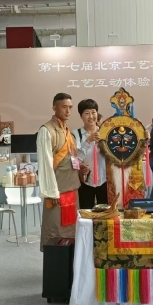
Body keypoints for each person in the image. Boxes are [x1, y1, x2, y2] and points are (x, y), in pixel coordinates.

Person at [37, 93, 81, 251]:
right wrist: (51, 192)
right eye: (64, 107)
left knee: (71, 233)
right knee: (56, 233)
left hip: (71, 189)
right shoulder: (47, 130)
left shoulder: (68, 131)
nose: (68, 111)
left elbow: (71, 158)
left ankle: (69, 264)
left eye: (70, 107)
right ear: (54, 108)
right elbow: (45, 164)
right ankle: (56, 265)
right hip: (57, 193)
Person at [74, 99, 107, 209]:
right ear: (81, 116)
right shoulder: (76, 134)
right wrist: (88, 141)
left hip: (105, 181)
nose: (91, 116)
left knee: (105, 214)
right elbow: (75, 160)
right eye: (87, 113)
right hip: (85, 181)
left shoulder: (105, 132)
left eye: (93, 112)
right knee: (85, 213)